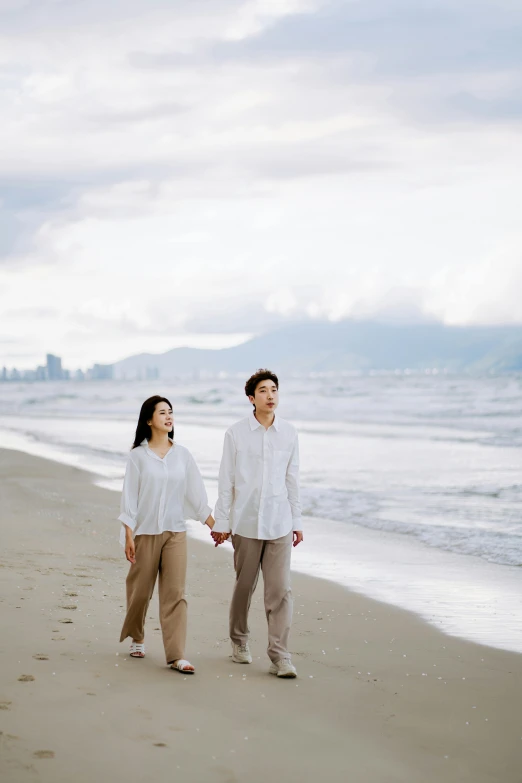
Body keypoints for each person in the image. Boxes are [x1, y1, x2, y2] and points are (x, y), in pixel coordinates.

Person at [211, 369, 303, 678]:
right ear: (252, 398)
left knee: (280, 591)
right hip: (246, 523)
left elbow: (292, 480)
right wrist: (222, 521)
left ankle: (280, 656)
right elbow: (226, 481)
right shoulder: (235, 433)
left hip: (279, 523)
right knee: (245, 586)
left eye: (274, 389)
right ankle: (239, 642)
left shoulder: (289, 433)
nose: (271, 395)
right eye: (263, 390)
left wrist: (297, 520)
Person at [118, 395, 214, 674]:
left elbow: (195, 494)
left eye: (171, 412)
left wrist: (214, 525)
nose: (169, 417)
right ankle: (137, 636)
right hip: (145, 533)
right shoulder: (138, 456)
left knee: (175, 594)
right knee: (140, 592)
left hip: (175, 532)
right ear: (149, 420)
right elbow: (129, 499)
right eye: (163, 413)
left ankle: (176, 656)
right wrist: (128, 534)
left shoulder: (183, 455)